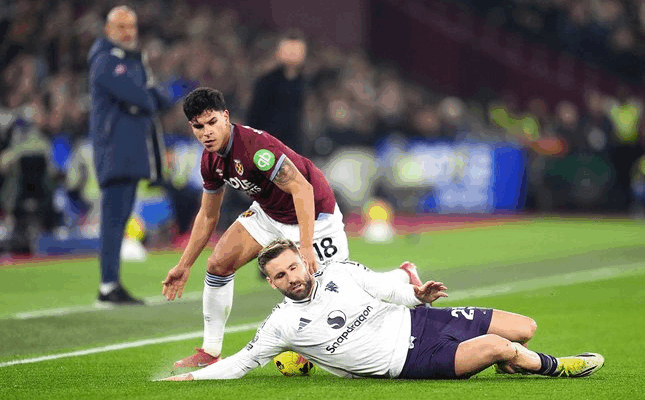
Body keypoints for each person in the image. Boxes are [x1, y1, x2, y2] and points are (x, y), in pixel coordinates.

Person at [162, 88, 422, 369]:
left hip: (314, 216)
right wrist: (184, 265)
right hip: (269, 213)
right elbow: (207, 216)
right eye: (199, 127)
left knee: (342, 295)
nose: (207, 133)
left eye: (212, 122)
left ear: (226, 117)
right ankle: (210, 351)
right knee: (218, 264)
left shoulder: (256, 149)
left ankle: (403, 276)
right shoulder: (210, 160)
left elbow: (302, 189)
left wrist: (305, 246)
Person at [161, 239, 605, 381]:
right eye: (280, 276)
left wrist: (419, 296)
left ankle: (513, 361)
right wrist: (194, 377)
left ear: (303, 262)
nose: (291, 277)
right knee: (499, 346)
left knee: (524, 327)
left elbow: (388, 289)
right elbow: (241, 362)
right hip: (411, 359)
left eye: (293, 267)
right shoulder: (282, 324)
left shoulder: (339, 271)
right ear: (272, 283)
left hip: (422, 320)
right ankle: (558, 367)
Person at [89, 6, 173, 306]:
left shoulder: (132, 60)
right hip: (115, 150)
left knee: (119, 219)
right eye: (121, 26)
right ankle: (107, 285)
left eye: (131, 26)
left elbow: (159, 99)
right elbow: (142, 97)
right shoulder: (105, 60)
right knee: (113, 221)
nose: (127, 32)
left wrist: (146, 95)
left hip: (130, 152)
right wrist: (146, 95)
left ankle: (111, 284)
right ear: (108, 30)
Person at [246, 31, 308, 156]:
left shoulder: (304, 82)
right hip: (268, 144)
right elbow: (255, 114)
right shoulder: (267, 81)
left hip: (293, 145)